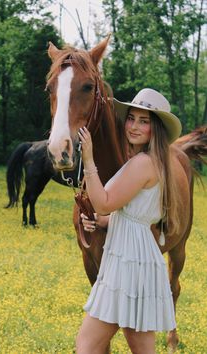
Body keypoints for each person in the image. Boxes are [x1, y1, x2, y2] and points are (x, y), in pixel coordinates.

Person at [76, 88, 182, 354]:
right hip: (140, 262)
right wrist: (103, 222)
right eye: (132, 118)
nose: (133, 126)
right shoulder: (154, 162)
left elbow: (103, 202)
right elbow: (135, 216)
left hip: (127, 264)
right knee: (142, 350)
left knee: (86, 345)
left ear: (155, 129)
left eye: (144, 121)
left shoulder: (143, 164)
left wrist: (88, 158)